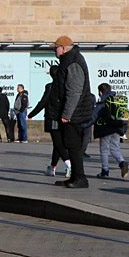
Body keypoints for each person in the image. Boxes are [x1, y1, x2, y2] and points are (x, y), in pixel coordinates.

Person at [51, 36, 94, 188]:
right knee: (70, 144)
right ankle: (75, 177)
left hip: (74, 113)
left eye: (55, 47)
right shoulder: (69, 60)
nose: (54, 50)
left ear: (63, 48)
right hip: (73, 112)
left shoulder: (73, 62)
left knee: (73, 145)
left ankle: (80, 178)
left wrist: (67, 114)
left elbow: (74, 90)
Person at [29, 65, 71, 178]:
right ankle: (52, 168)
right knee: (58, 144)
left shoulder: (51, 87)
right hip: (65, 118)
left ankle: (69, 164)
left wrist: (31, 114)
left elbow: (43, 102)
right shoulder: (66, 86)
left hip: (53, 118)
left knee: (58, 143)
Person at [92, 83, 129, 179]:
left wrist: (84, 124)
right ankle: (122, 162)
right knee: (115, 149)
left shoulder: (103, 102)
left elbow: (93, 116)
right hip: (117, 128)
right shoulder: (117, 100)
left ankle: (105, 170)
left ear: (101, 92)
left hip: (105, 129)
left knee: (104, 150)